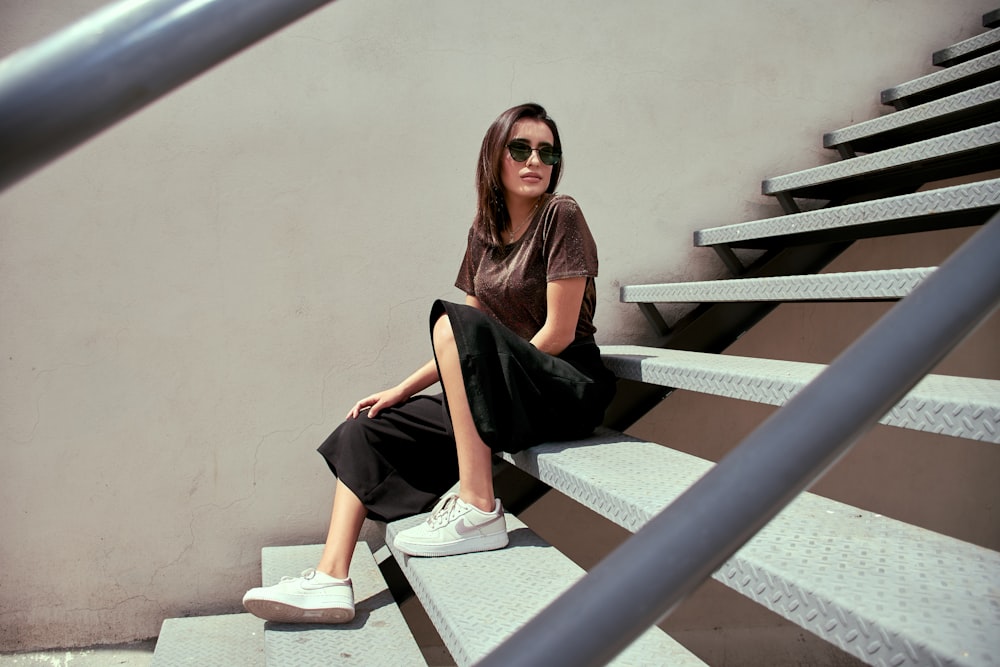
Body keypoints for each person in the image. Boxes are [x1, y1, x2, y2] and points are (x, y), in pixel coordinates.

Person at [242, 102, 617, 624]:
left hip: (562, 382)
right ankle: (332, 579)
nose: (536, 160)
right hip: (505, 380)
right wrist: (401, 389)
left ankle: (479, 505)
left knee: (449, 319)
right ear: (495, 158)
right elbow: (465, 335)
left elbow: (555, 332)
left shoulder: (562, 215)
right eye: (521, 148)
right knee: (365, 428)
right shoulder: (484, 233)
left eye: (547, 151)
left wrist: (490, 376)